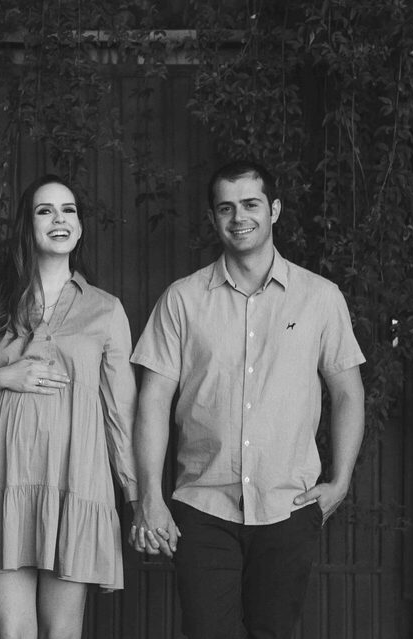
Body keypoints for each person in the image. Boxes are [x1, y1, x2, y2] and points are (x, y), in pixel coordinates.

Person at [129, 160, 366, 639]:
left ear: (274, 210)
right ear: (213, 218)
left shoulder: (320, 298)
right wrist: (150, 497)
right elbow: (152, 402)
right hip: (202, 506)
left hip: (288, 505)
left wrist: (340, 481)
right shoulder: (181, 300)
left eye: (250, 204)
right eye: (226, 208)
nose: (239, 217)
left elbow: (347, 391)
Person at [0, 174, 138, 639]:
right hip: (3, 480)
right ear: (27, 226)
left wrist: (138, 498)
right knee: (12, 632)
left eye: (68, 210)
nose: (58, 219)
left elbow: (120, 415)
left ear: (80, 227)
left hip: (75, 483)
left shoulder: (106, 310)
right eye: (45, 210)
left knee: (61, 633)